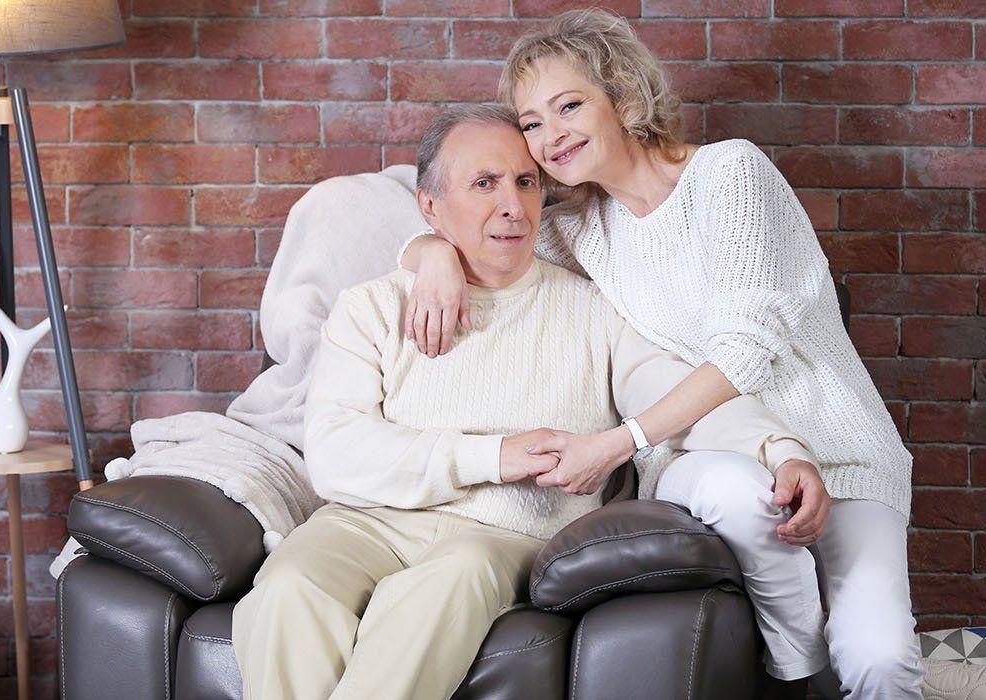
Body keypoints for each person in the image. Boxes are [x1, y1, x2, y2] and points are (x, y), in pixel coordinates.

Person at [397, 10, 923, 698]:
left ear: (622, 94)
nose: (549, 136)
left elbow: (745, 351)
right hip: (696, 454)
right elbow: (469, 236)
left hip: (838, 452)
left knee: (879, 659)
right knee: (747, 499)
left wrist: (617, 441)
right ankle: (805, 682)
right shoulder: (580, 230)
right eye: (530, 122)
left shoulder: (729, 174)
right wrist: (430, 253)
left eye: (569, 106)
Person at [232, 104, 821, 700]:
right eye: (484, 184)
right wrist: (492, 456)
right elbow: (333, 450)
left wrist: (780, 450)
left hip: (497, 535)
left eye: (526, 182)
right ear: (430, 207)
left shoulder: (593, 310)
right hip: (364, 523)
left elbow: (678, 392)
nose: (512, 206)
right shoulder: (372, 307)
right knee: (286, 585)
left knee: (449, 581)